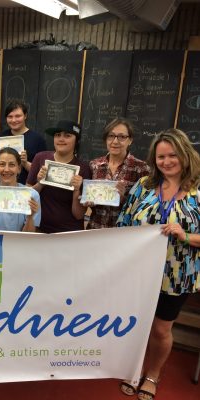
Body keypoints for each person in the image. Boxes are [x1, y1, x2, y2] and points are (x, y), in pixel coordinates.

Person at [117, 129, 200, 400]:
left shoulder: (198, 190)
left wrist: (184, 234)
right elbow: (124, 221)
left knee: (161, 329)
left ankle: (152, 374)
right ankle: (133, 369)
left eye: (172, 155)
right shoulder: (144, 184)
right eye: (161, 156)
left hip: (176, 275)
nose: (166, 162)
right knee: (136, 324)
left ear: (185, 154)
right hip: (139, 271)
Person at [27, 120, 91, 233]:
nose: (61, 139)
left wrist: (76, 190)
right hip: (40, 228)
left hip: (68, 232)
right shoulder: (40, 158)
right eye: (57, 135)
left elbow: (78, 215)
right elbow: (27, 198)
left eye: (67, 136)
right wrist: (40, 183)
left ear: (76, 140)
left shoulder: (84, 168)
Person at [86, 117, 150, 229]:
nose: (115, 141)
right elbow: (90, 200)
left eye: (122, 137)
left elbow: (146, 208)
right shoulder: (94, 165)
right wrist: (88, 201)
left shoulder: (141, 168)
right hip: (95, 230)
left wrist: (124, 199)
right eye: (111, 136)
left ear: (130, 140)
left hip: (122, 235)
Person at [0, 147, 41, 232]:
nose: (6, 169)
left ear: (19, 169)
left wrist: (30, 217)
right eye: (2, 164)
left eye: (12, 165)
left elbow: (29, 237)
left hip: (20, 244)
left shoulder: (32, 195)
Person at [0, 100, 46, 185]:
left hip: (24, 188)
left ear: (25, 116)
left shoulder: (38, 139)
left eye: (18, 116)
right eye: (10, 117)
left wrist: (25, 163)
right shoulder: (0, 137)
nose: (13, 120)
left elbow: (41, 173)